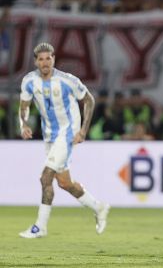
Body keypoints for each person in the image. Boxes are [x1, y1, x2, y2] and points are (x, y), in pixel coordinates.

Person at [18, 42, 110, 238]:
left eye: (48, 58)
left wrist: (83, 130)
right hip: (49, 134)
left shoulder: (67, 80)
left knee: (45, 177)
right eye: (41, 59)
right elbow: (24, 105)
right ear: (35, 61)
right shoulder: (29, 81)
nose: (45, 62)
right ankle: (99, 207)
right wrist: (23, 124)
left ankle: (40, 227)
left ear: (54, 59)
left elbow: (89, 100)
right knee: (65, 183)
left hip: (67, 132)